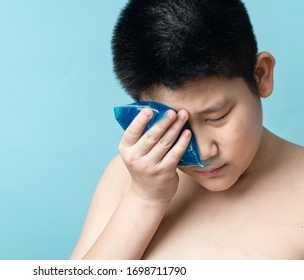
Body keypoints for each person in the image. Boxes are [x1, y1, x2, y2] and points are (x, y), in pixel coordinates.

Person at [70, 0, 304, 259]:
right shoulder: (128, 178)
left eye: (217, 116)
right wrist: (145, 199)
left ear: (261, 75)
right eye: (172, 126)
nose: (203, 151)